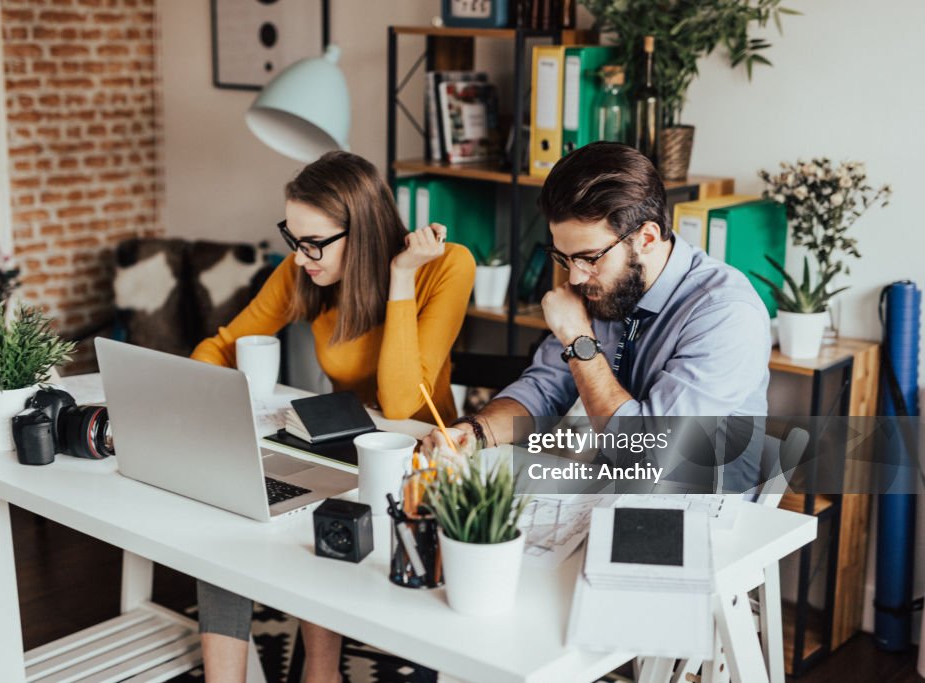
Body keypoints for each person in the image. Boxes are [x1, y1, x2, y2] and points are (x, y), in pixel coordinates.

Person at [190, 151, 475, 683]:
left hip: (416, 460)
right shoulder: (304, 269)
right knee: (229, 507)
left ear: (362, 231)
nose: (301, 257)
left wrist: (401, 276)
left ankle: (321, 668)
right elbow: (223, 345)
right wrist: (195, 397)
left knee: (313, 503)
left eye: (314, 242)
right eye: (293, 239)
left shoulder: (447, 266)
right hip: (337, 441)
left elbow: (398, 400)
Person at [428, 141, 771, 491]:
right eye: (564, 257)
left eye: (589, 257)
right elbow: (542, 389)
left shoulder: (726, 315)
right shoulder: (605, 285)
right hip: (613, 491)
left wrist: (579, 341)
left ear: (647, 238)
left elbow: (645, 455)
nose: (574, 277)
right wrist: (475, 433)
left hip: (704, 511)